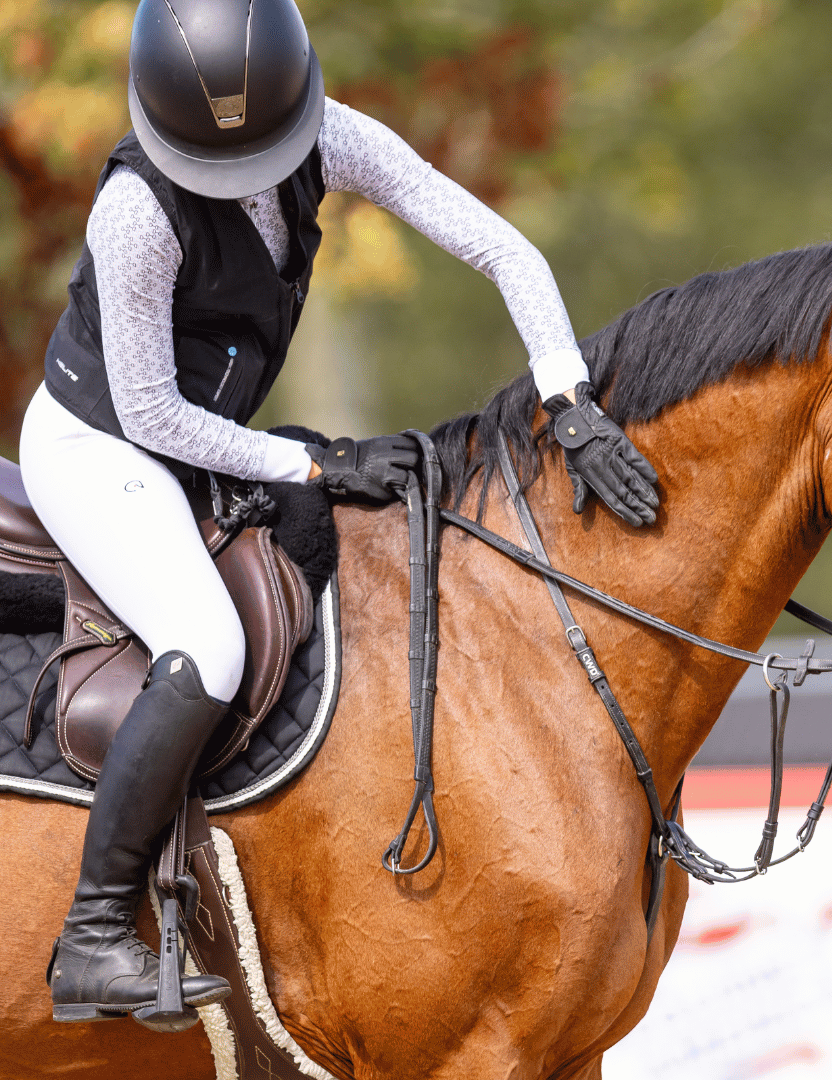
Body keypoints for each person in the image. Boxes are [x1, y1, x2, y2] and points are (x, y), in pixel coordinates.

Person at [28, 0, 659, 1027]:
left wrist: (566, 395)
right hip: (102, 449)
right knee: (209, 647)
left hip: (199, 437)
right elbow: (148, 411)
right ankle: (93, 937)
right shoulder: (135, 211)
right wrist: (310, 463)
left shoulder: (326, 133)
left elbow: (501, 248)